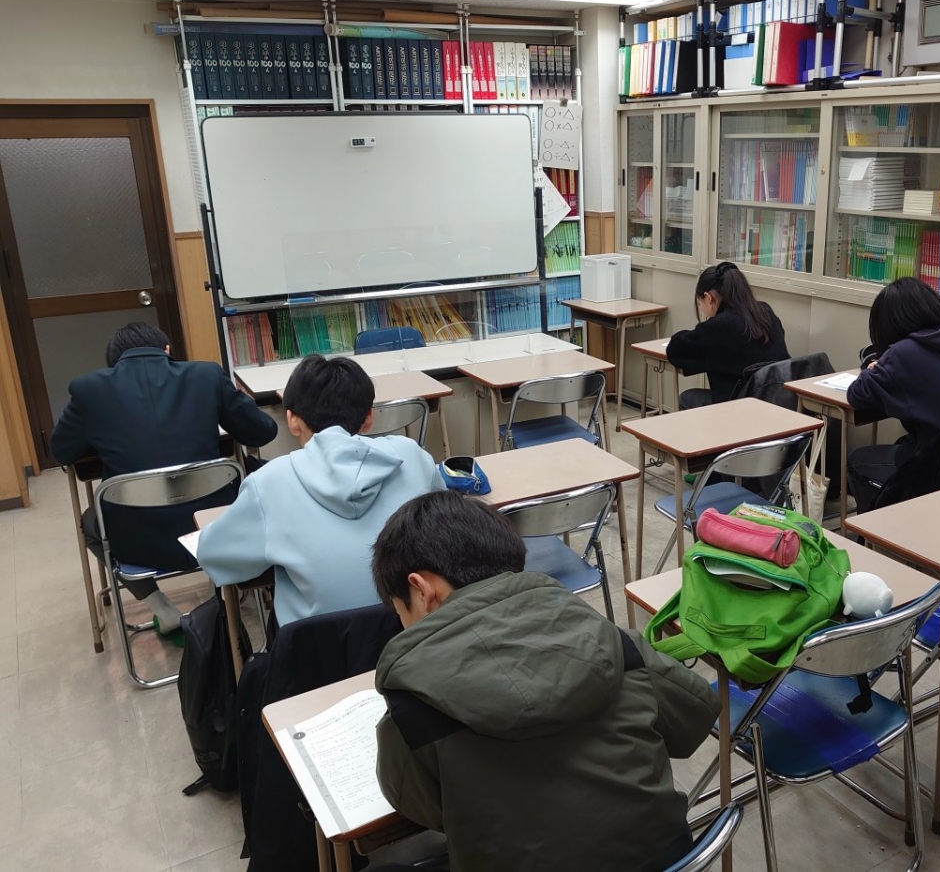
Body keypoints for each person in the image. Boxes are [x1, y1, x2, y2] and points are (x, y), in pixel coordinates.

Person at [371, 490, 721, 872]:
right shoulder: (616, 644)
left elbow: (426, 811)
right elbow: (695, 719)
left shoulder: (413, 710)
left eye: (400, 611)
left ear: (421, 589)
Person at [50, 322, 277, 637]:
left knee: (90, 522)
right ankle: (230, 588)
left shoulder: (89, 390)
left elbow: (61, 451)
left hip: (137, 543)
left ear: (113, 363)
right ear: (167, 350)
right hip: (215, 530)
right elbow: (263, 432)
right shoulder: (206, 376)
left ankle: (162, 608)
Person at [197, 354, 443, 628]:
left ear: (292, 421)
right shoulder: (411, 456)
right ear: (369, 417)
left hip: (319, 650)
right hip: (413, 634)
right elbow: (442, 528)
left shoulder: (267, 483)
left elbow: (213, 557)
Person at [846, 278, 940, 512]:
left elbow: (856, 394)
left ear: (890, 323)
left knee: (858, 461)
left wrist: (874, 367)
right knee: (904, 444)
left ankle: (875, 531)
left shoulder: (904, 353)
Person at [666, 261, 789, 409]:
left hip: (740, 406)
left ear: (708, 298)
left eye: (700, 303)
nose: (701, 308)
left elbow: (675, 350)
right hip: (780, 403)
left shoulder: (719, 326)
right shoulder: (766, 312)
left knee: (686, 398)